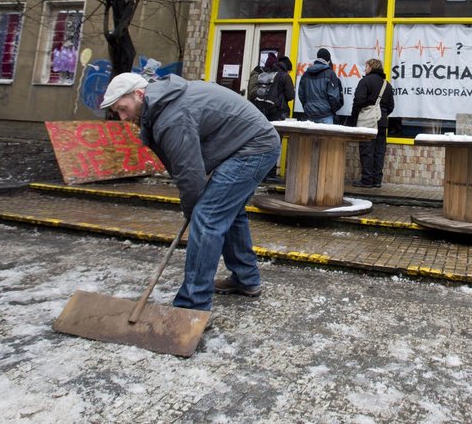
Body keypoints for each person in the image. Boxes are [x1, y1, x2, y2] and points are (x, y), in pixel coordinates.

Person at [100, 72, 281, 311]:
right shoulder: (163, 105)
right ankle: (245, 279)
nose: (123, 118)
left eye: (123, 109)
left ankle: (192, 305)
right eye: (117, 113)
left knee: (207, 217)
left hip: (254, 147)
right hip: (249, 144)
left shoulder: (171, 117)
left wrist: (191, 209)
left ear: (139, 94)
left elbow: (190, 174)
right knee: (229, 213)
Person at [350, 58, 395, 188]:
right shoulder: (387, 85)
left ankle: (367, 180)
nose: (365, 69)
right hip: (382, 122)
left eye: (366, 67)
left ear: (371, 67)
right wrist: (383, 114)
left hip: (368, 121)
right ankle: (377, 180)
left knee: (366, 150)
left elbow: (358, 100)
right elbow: (391, 106)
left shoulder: (365, 81)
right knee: (379, 151)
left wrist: (354, 118)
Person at [297, 48, 343, 124]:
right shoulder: (330, 74)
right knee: (326, 136)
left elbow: (301, 94)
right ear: (328, 60)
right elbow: (334, 97)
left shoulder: (306, 74)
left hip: (310, 114)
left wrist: (307, 106)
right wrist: (332, 110)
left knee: (311, 136)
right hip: (326, 115)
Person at [251, 52, 294, 121]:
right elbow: (290, 96)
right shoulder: (285, 76)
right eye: (290, 70)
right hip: (279, 111)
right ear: (287, 68)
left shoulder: (268, 73)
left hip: (264, 109)